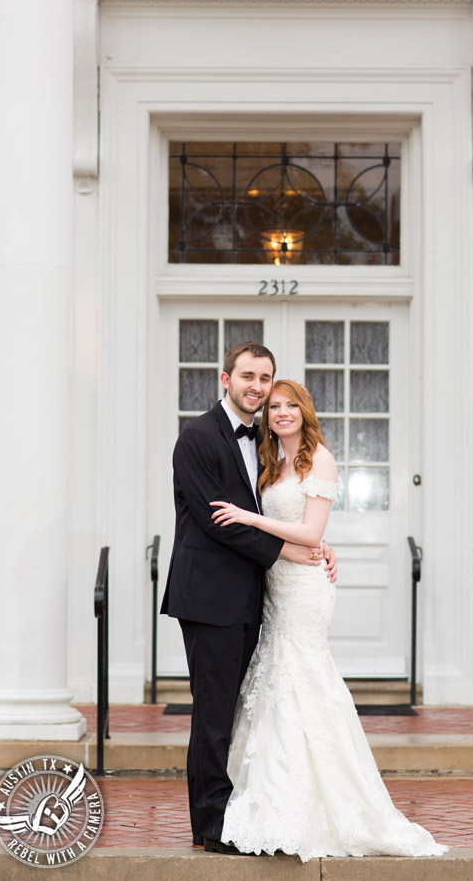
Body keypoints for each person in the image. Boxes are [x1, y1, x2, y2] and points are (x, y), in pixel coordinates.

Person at [210, 379, 448, 862]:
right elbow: (298, 528)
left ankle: (328, 804)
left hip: (304, 590)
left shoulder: (319, 457)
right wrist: (298, 539)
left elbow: (312, 529)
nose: (279, 413)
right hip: (276, 580)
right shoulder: (268, 460)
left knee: (303, 676)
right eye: (273, 406)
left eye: (288, 405)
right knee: (274, 679)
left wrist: (253, 520)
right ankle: (273, 795)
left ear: (304, 410)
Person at [160, 344, 337, 856]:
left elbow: (298, 506)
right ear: (225, 379)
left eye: (265, 378)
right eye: (248, 377)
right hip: (210, 597)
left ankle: (240, 810)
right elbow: (220, 522)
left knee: (239, 711)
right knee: (214, 712)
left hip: (253, 597)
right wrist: (287, 548)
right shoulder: (196, 438)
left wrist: (317, 542)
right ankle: (210, 826)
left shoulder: (266, 444)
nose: (258, 387)